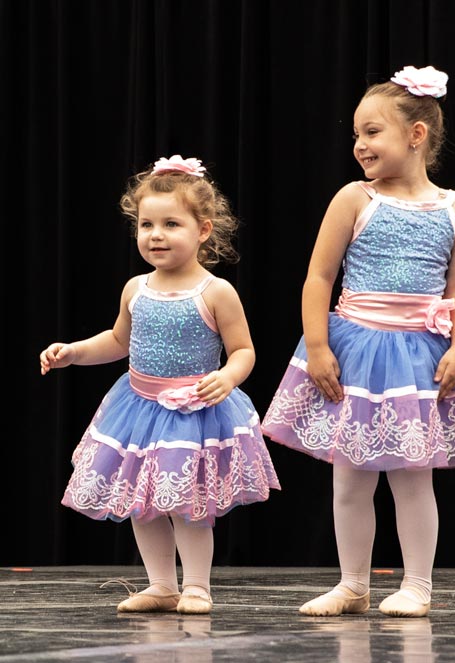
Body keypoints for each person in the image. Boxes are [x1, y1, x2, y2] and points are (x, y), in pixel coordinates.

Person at [262, 65, 455, 618]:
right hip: (354, 348)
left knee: (411, 477)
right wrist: (317, 346)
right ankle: (353, 583)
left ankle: (417, 586)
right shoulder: (354, 199)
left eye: (372, 132)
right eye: (356, 134)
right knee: (350, 479)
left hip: (418, 354)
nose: (359, 145)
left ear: (416, 134)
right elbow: (318, 278)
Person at [40, 155, 281, 614]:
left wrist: (227, 377)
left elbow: (244, 351)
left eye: (171, 224)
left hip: (193, 412)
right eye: (146, 224)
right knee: (142, 504)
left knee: (187, 504)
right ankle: (161, 585)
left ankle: (196, 586)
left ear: (203, 230)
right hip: (137, 409)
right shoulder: (135, 288)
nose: (156, 235)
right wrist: (74, 351)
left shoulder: (215, 292)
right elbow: (117, 341)